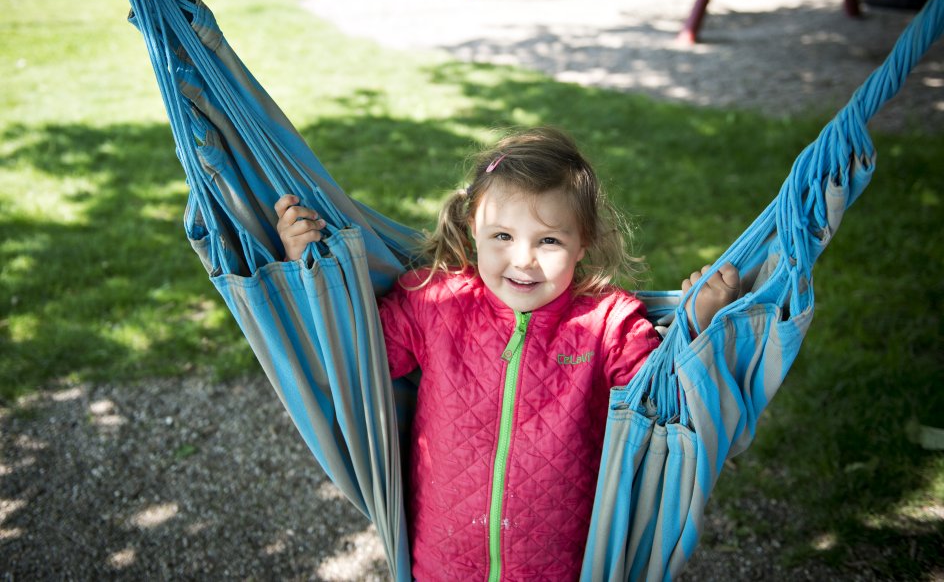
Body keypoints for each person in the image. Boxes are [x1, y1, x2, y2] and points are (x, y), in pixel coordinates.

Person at [274, 126, 740, 580]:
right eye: (502, 236)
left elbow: (667, 404)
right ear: (472, 226)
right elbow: (351, 354)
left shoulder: (607, 326)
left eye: (549, 240)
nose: (522, 260)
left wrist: (699, 327)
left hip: (558, 566)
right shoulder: (435, 303)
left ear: (584, 244)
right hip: (441, 563)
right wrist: (310, 271)